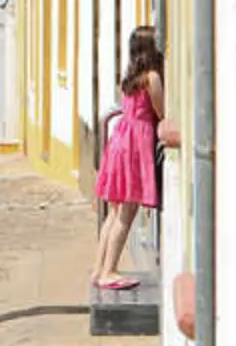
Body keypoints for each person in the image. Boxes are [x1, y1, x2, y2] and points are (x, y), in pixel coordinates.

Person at [91, 26, 164, 290]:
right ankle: (110, 270)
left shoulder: (130, 79)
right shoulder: (152, 78)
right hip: (136, 144)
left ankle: (99, 268)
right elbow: (161, 111)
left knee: (113, 212)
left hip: (121, 139)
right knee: (127, 213)